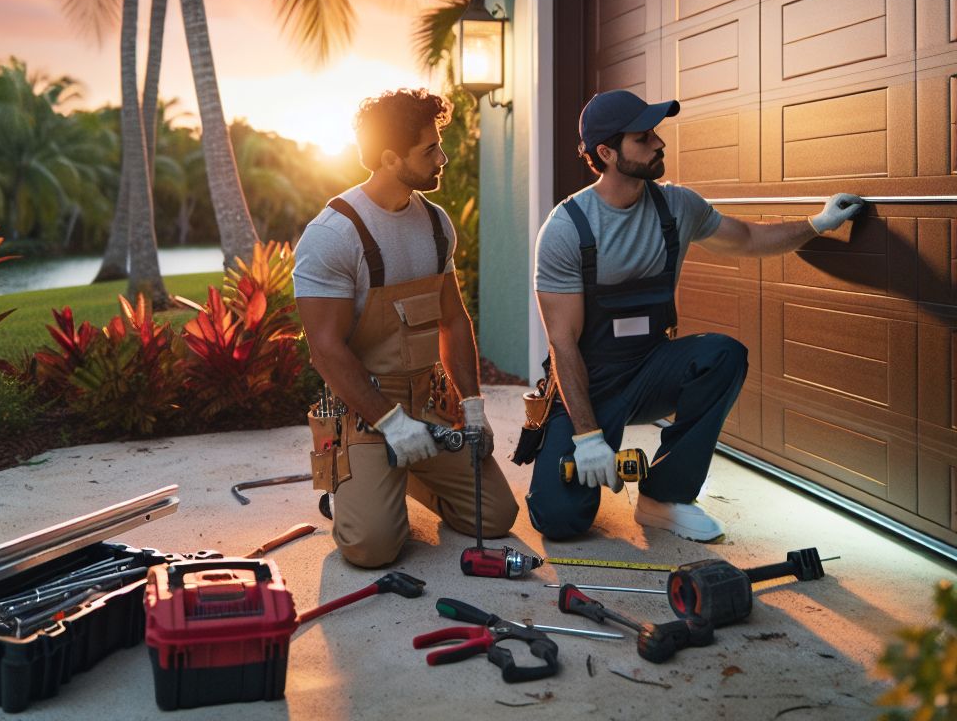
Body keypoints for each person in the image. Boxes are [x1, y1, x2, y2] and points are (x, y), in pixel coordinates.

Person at [527, 89, 865, 543]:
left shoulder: (677, 206)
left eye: (656, 134)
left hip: (650, 368)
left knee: (722, 355)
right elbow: (563, 343)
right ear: (606, 153)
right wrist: (588, 439)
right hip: (592, 381)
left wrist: (816, 224)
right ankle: (580, 461)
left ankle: (664, 498)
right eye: (643, 138)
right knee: (560, 520)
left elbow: (745, 238)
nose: (659, 144)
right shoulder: (566, 228)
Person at [293, 88, 518, 567]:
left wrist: (473, 405)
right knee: (371, 548)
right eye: (430, 149)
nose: (443, 156)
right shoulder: (334, 236)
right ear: (391, 158)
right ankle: (361, 483)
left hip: (429, 398)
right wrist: (390, 423)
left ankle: (405, 475)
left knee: (495, 516)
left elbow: (453, 320)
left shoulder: (436, 224)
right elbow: (326, 351)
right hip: (367, 410)